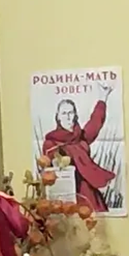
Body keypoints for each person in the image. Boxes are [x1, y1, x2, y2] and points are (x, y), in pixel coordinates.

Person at [42, 84, 116, 214]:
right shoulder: (51, 142)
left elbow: (95, 122)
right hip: (65, 195)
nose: (68, 116)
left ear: (75, 115)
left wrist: (103, 98)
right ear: (58, 116)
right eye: (64, 113)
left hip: (87, 193)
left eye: (71, 113)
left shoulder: (81, 137)